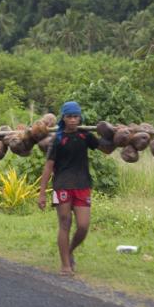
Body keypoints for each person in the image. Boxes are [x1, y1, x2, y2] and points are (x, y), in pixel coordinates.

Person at [38, 101, 100, 276]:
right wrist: (42, 194)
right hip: (62, 186)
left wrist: (118, 134)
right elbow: (48, 167)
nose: (73, 120)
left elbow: (106, 148)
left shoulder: (85, 136)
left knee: (83, 226)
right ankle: (65, 265)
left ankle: (70, 250)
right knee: (64, 224)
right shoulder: (57, 139)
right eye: (69, 116)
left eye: (75, 116)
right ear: (63, 118)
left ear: (80, 117)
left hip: (82, 185)